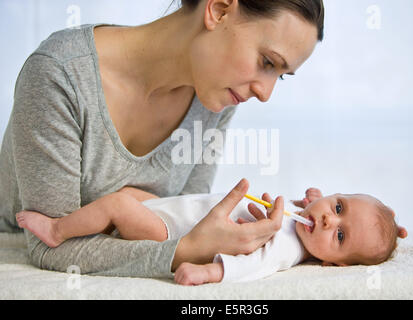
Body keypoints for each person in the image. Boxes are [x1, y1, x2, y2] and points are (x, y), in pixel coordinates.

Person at [0, 0, 325, 278]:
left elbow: (185, 218)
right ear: (220, 9)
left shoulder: (214, 97)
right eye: (267, 62)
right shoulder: (61, 75)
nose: (265, 93)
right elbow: (49, 246)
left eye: (279, 75)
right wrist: (184, 251)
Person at [16, 184, 408, 285]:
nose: (327, 221)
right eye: (338, 208)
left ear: (329, 263)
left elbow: (252, 266)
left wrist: (208, 273)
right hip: (175, 209)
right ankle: (97, 218)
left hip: (171, 231)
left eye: (340, 238)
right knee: (135, 197)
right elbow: (309, 207)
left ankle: (57, 229)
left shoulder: (287, 248)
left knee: (120, 204)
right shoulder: (303, 217)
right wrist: (310, 200)